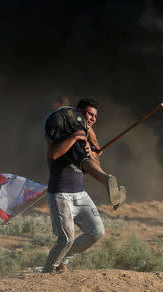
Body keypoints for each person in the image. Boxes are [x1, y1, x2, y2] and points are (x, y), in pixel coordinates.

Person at [42, 98, 125, 273]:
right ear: (79, 113)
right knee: (66, 239)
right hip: (61, 194)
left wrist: (95, 148)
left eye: (95, 116)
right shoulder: (62, 134)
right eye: (89, 114)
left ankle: (64, 259)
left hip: (80, 194)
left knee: (97, 231)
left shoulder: (84, 134)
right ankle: (48, 272)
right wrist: (75, 138)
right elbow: (54, 154)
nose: (93, 118)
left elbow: (89, 132)